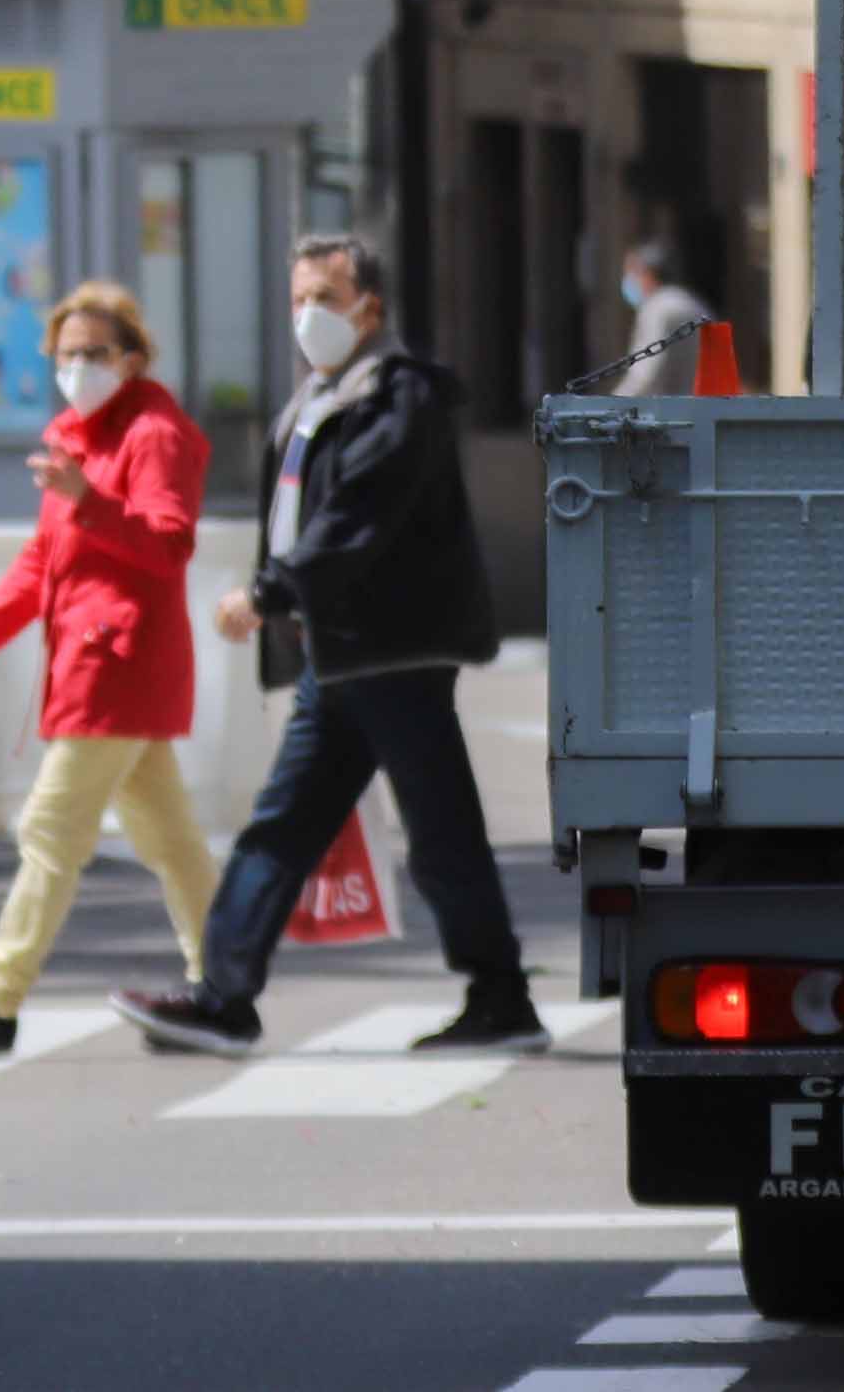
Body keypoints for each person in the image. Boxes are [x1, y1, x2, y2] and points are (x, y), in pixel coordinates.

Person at [115, 234, 540, 1057]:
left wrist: (272, 592)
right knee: (283, 826)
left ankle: (500, 995)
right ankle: (224, 997)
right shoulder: (323, 393)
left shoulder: (396, 393)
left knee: (437, 831)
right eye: (299, 297)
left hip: (392, 647)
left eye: (326, 297)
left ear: (369, 308)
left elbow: (359, 517)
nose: (308, 314)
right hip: (339, 653)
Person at [0, 280, 217, 1056]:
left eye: (95, 352)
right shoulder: (74, 435)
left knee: (51, 829)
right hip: (93, 663)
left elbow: (170, 541)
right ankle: (225, 983)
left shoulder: (154, 431)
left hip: (119, 663)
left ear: (133, 356)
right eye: (66, 353)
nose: (78, 366)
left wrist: (90, 501)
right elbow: (43, 559)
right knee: (170, 839)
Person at [611, 238, 717, 397]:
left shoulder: (659, 309)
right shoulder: (691, 303)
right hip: (705, 406)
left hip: (676, 413)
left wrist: (613, 406)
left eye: (631, 273)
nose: (628, 280)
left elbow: (646, 375)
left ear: (647, 273)